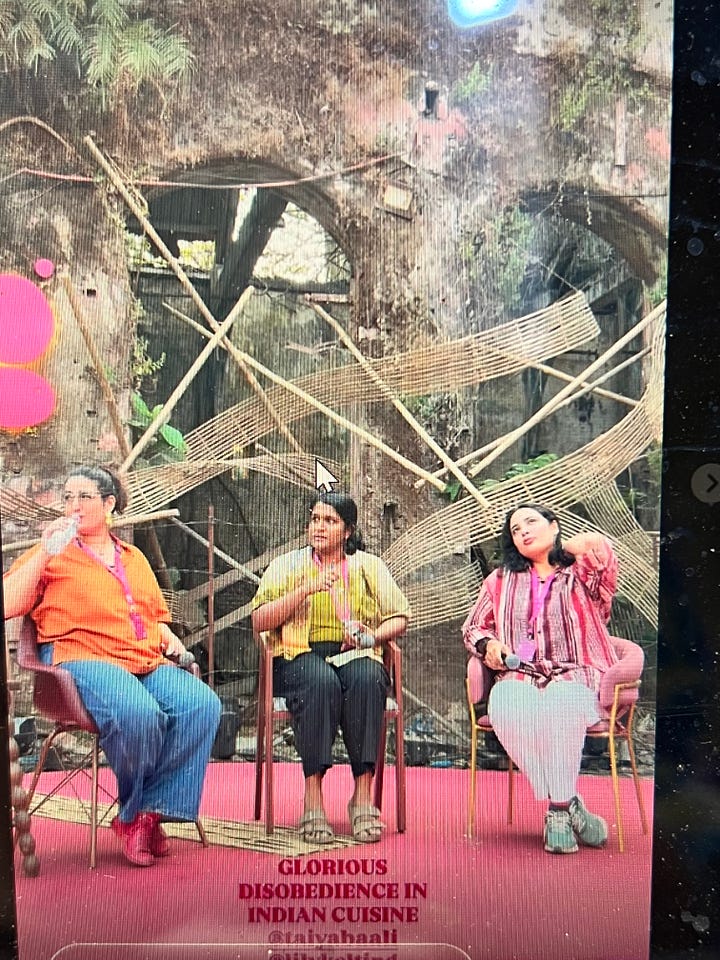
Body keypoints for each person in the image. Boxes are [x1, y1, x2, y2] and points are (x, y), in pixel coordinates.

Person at [3, 464, 221, 867]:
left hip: (140, 657)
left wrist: (171, 642)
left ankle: (147, 813)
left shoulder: (133, 557)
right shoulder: (52, 553)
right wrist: (44, 551)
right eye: (68, 497)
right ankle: (136, 815)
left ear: (109, 504)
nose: (73, 505)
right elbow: (7, 604)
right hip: (80, 656)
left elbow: (151, 617)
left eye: (84, 497)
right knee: (138, 712)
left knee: (202, 705)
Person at [252, 491, 409, 844]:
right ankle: (313, 798)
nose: (319, 527)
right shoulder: (287, 565)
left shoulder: (368, 566)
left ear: (348, 530)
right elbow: (259, 621)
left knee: (369, 678)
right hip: (298, 654)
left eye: (330, 521)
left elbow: (400, 616)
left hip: (354, 651)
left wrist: (371, 637)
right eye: (315, 519)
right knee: (321, 683)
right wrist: (303, 591)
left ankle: (362, 796)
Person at [462, 502, 619, 854]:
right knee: (505, 706)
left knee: (561, 705)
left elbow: (601, 554)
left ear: (554, 525)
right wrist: (489, 645)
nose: (523, 532)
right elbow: (473, 628)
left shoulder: (580, 572)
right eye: (515, 530)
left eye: (531, 522)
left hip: (577, 672)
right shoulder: (500, 580)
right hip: (522, 673)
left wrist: (570, 548)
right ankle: (568, 800)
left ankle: (557, 812)